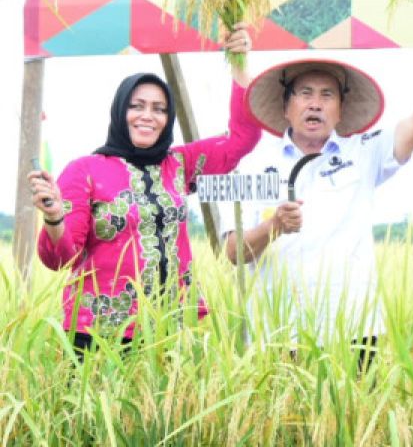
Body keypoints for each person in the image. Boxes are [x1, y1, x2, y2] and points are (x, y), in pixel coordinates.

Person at [218, 21, 413, 366]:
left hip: (353, 328)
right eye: (305, 94)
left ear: (341, 110)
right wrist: (273, 226)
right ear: (286, 106)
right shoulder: (251, 164)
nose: (315, 104)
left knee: (355, 419)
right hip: (278, 330)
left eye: (327, 95)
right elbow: (232, 251)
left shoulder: (363, 152)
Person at [27, 26, 259, 354]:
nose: (148, 116)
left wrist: (240, 63)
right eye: (137, 106)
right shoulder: (86, 171)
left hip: (172, 332)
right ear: (120, 111)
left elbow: (241, 140)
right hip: (99, 338)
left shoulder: (180, 164)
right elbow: (60, 258)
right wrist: (54, 219)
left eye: (159, 108)